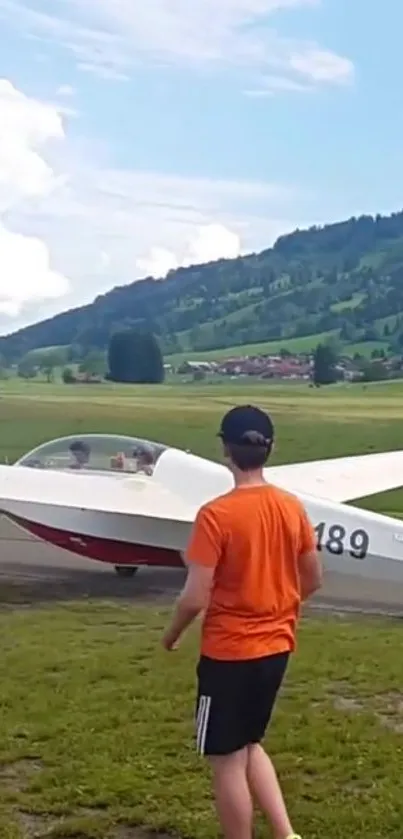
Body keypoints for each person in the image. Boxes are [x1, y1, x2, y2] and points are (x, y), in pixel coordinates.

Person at [162, 404, 322, 839]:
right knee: (250, 744)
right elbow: (312, 578)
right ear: (270, 449)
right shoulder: (292, 507)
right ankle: (287, 834)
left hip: (229, 654)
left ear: (225, 450)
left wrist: (171, 635)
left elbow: (195, 596)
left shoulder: (216, 515)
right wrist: (277, 605)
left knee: (225, 758)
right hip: (277, 650)